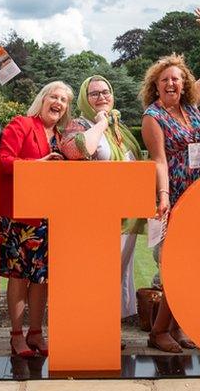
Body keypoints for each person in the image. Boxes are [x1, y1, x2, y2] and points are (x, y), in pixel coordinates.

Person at [141, 7, 200, 353]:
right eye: (165, 80)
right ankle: (159, 331)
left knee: (194, 262)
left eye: (176, 79)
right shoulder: (153, 116)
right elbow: (159, 160)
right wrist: (163, 196)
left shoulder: (192, 107)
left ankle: (174, 329)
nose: (172, 83)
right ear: (156, 86)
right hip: (174, 194)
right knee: (179, 265)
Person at [0, 81, 74, 358]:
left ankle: (36, 333)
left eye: (64, 100)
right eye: (54, 96)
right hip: (21, 216)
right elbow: (3, 160)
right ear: (42, 99)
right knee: (19, 277)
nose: (59, 103)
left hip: (50, 216)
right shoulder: (22, 124)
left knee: (43, 278)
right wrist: (38, 166)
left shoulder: (65, 137)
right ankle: (16, 335)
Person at [60, 75, 145, 321]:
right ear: (85, 99)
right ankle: (95, 328)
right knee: (99, 273)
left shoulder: (120, 128)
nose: (101, 97)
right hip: (95, 215)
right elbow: (78, 150)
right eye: (94, 93)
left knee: (119, 272)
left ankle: (110, 330)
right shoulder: (80, 124)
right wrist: (99, 123)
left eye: (105, 92)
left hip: (125, 214)